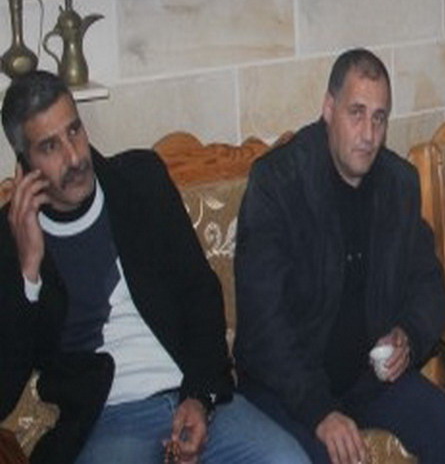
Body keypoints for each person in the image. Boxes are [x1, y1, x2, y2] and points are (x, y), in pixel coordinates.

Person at [0, 70, 307, 464]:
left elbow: (201, 294)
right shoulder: (11, 238)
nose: (74, 157)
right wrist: (29, 271)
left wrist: (200, 397)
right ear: (25, 163)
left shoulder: (140, 182)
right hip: (109, 421)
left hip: (192, 393)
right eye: (50, 146)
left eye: (74, 130)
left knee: (287, 459)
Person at [234, 48, 445, 464]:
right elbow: (263, 323)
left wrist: (408, 336)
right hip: (287, 386)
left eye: (379, 118)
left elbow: (427, 283)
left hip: (364, 377)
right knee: (319, 457)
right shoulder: (278, 183)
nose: (368, 134)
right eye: (356, 113)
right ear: (328, 108)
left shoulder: (398, 184)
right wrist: (319, 411)